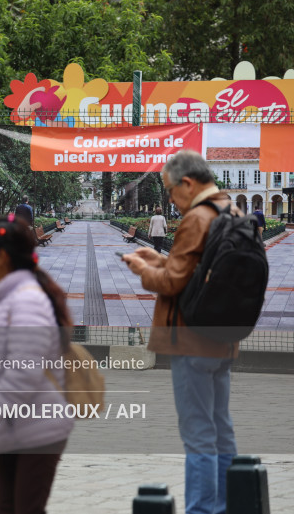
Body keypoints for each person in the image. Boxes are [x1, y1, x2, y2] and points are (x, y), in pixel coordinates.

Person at [122, 151, 238, 514]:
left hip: (190, 337)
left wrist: (143, 269)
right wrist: (160, 259)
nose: (171, 200)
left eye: (171, 192)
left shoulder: (197, 218)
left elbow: (173, 282)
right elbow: (195, 270)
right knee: (221, 428)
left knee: (198, 433)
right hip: (222, 335)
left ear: (187, 183)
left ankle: (204, 509)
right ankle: (226, 503)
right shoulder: (232, 213)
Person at [0, 214, 73, 514]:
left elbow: (24, 374)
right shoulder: (12, 298)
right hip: (18, 425)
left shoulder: (26, 302)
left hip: (38, 428)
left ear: (4, 256)